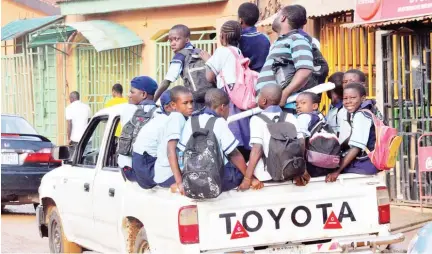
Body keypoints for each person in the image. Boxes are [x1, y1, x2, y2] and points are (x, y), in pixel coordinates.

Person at [179, 88, 262, 193]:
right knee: (240, 170)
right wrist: (250, 178)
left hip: (193, 179)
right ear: (223, 107)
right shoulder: (219, 122)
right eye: (229, 108)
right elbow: (234, 155)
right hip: (218, 181)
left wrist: (181, 179)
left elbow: (181, 152)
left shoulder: (190, 121)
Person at [240, 85, 309, 190]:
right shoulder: (290, 117)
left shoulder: (257, 119)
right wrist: (301, 170)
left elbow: (257, 149)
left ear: (263, 101)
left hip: (266, 176)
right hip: (290, 171)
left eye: (259, 95)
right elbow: (301, 143)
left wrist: (247, 178)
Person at [200, 20, 252, 160]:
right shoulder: (238, 51)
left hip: (228, 96)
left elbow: (209, 76)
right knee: (242, 131)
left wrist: (207, 60)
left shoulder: (222, 51)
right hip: (239, 96)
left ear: (222, 36)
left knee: (232, 134)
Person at [257, 5, 314, 113]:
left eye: (277, 15)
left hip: (283, 108)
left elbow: (305, 70)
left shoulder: (297, 39)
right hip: (271, 108)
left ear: (283, 17)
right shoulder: (280, 42)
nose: (275, 18)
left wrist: (284, 94)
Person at [326, 83, 379, 182]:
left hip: (364, 164)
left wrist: (337, 171)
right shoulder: (370, 109)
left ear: (362, 98)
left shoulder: (361, 115)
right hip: (370, 162)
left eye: (353, 98)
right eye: (345, 98)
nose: (348, 101)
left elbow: (356, 147)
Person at [124, 91, 174, 188]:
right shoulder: (168, 122)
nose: (190, 107)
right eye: (185, 103)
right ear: (168, 107)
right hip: (147, 172)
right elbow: (171, 155)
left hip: (138, 169)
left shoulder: (158, 117)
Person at [154, 86, 194, 191]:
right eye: (185, 103)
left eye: (191, 102)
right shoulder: (177, 117)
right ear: (173, 105)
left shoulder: (184, 117)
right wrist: (180, 182)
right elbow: (170, 150)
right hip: (167, 175)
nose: (190, 106)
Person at [118, 76, 159, 173]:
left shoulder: (129, 110)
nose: (129, 95)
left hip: (128, 169)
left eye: (132, 92)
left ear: (143, 94)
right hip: (150, 170)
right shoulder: (159, 113)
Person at [238, 2, 271, 72]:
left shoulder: (238, 39)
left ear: (240, 20)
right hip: (263, 77)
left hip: (245, 80)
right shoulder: (266, 38)